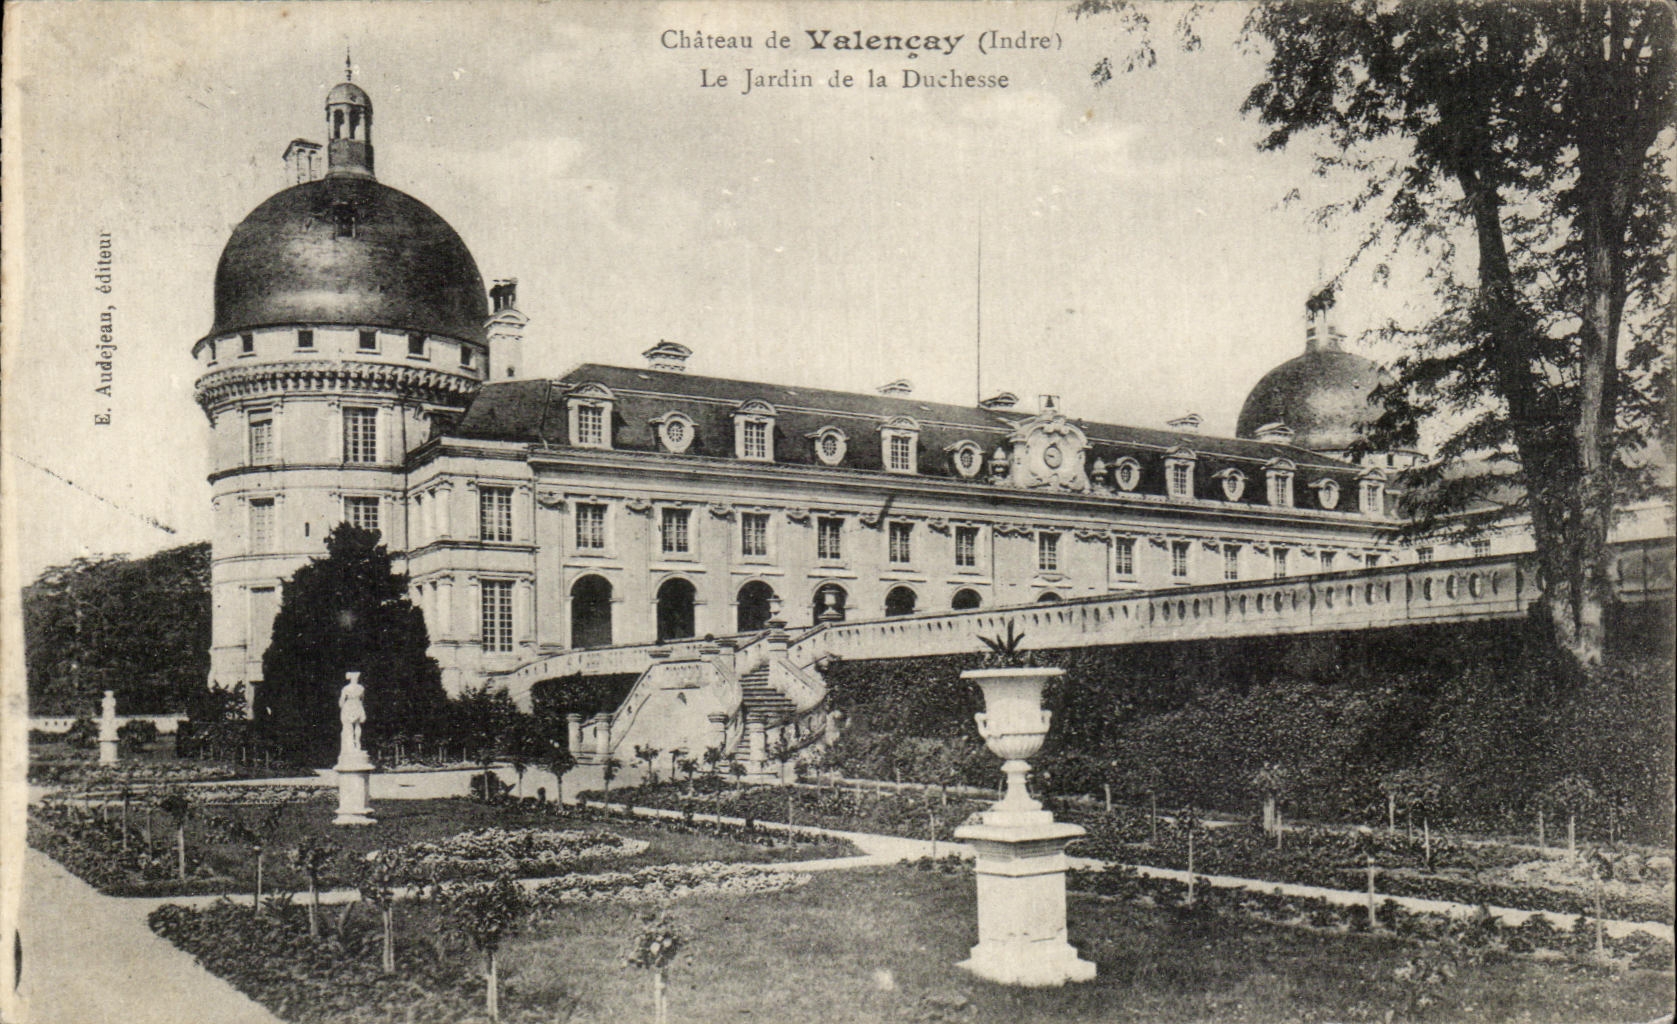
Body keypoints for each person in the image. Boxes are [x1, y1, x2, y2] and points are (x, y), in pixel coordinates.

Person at [339, 672, 366, 754]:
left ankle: (350, 745)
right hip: (357, 705)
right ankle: (357, 745)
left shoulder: (346, 688)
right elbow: (362, 699)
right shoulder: (361, 688)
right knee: (357, 725)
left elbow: (342, 701)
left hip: (349, 706)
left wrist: (342, 708)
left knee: (349, 726)